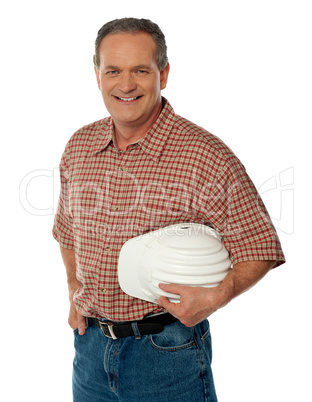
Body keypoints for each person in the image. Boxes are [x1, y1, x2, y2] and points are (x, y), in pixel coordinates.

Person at [53, 18, 285, 402]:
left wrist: (214, 298)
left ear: (163, 73)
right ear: (97, 75)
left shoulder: (204, 155)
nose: (125, 85)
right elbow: (66, 231)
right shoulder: (79, 146)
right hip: (90, 350)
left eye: (140, 70)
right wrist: (73, 290)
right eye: (113, 70)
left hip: (166, 352)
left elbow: (260, 246)